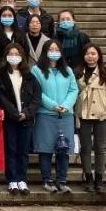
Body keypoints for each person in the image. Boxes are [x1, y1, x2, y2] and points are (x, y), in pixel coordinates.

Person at [31, 40, 79, 193]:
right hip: (46, 114)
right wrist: (52, 105)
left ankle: (62, 180)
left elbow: (74, 90)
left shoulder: (68, 70)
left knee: (63, 149)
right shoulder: (36, 70)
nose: (54, 52)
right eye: (51, 49)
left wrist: (66, 105)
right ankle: (47, 180)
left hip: (65, 115)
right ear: (45, 52)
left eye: (57, 50)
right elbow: (37, 91)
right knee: (45, 149)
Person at [0, 42, 40, 196]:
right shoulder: (0, 75)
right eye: (11, 54)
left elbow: (36, 97)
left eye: (17, 54)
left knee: (23, 151)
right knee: (11, 149)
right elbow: (0, 96)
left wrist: (27, 112)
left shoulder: (29, 76)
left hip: (26, 119)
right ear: (6, 56)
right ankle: (12, 179)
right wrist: (13, 113)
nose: (14, 57)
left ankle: (22, 179)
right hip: (10, 118)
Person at [76, 44, 106, 193]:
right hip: (83, 115)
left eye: (93, 53)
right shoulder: (77, 72)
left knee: (100, 148)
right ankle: (88, 178)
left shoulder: (105, 72)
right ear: (83, 56)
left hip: (102, 115)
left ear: (99, 56)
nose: (90, 56)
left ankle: (99, 180)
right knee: (85, 148)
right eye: (87, 53)